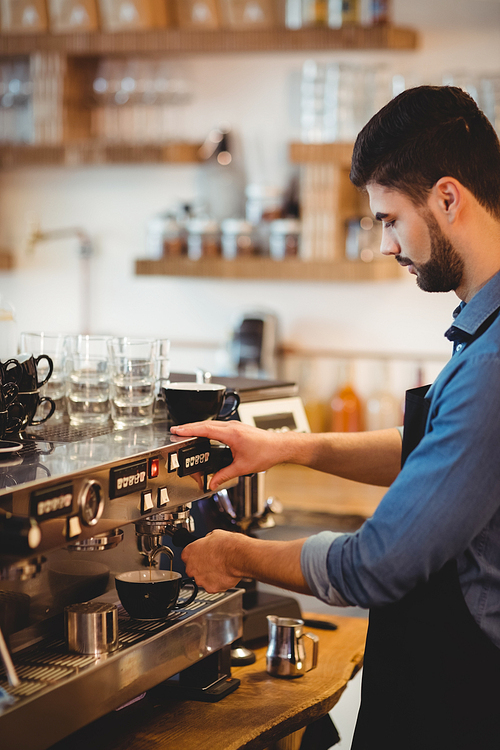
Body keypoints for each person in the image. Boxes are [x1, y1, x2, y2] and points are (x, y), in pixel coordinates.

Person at [171, 86, 500, 749]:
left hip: (466, 701)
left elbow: (371, 566)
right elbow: (440, 454)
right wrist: (284, 448)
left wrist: (233, 554)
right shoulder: (485, 338)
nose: (386, 245)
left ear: (446, 198)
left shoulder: (492, 364)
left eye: (388, 219)